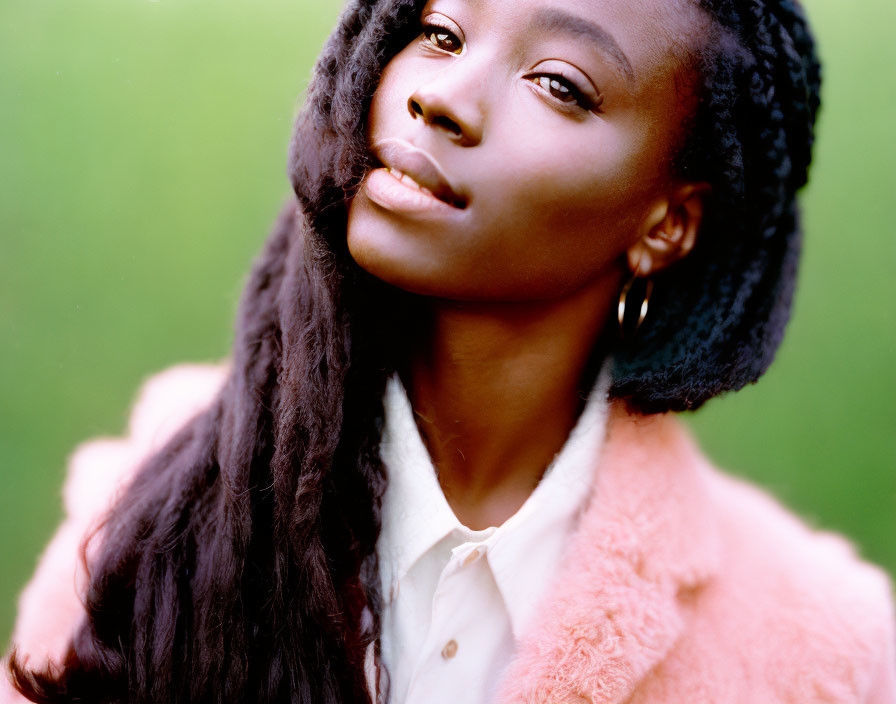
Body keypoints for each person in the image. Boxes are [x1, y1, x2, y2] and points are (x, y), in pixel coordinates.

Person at [3, 0, 894, 701]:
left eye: (558, 82)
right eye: (439, 31)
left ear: (667, 224)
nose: (442, 95)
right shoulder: (144, 517)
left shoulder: (823, 653)